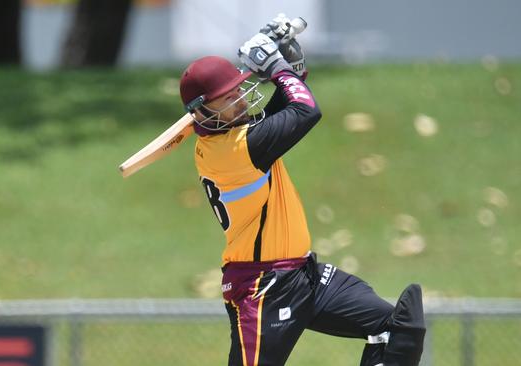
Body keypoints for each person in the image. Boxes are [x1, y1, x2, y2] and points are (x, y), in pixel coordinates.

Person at [178, 16, 426, 366]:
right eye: (226, 97)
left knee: (396, 329)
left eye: (237, 90)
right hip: (262, 286)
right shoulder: (232, 150)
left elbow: (285, 104)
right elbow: (306, 110)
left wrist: (291, 65)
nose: (239, 99)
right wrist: (278, 67)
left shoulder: (240, 135)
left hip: (304, 275)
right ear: (202, 111)